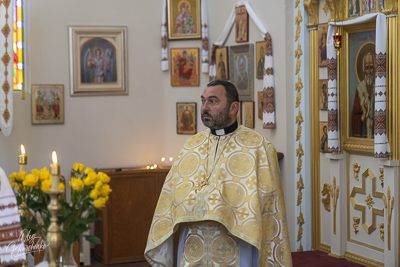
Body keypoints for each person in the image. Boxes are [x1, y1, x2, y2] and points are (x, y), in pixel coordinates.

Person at [145, 80, 292, 266]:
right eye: (203, 101)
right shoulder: (192, 146)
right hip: (193, 243)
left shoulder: (258, 147)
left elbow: (270, 207)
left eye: (213, 101)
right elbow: (169, 198)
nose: (205, 108)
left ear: (233, 107)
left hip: (237, 244)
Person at [351, 52, 375, 138]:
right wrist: (363, 116)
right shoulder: (360, 88)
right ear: (363, 69)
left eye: (371, 67)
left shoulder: (379, 87)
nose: (369, 72)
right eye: (367, 68)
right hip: (364, 134)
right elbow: (354, 117)